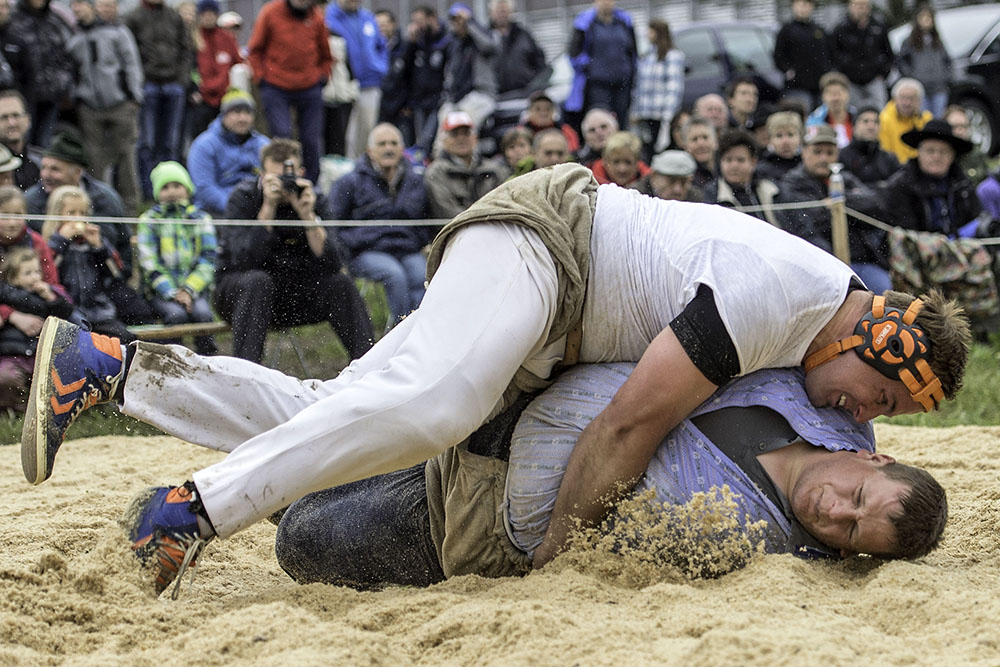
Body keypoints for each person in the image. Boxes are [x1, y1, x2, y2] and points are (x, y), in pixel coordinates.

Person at [21, 162, 970, 596]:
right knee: (435, 407)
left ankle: (105, 368)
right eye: (879, 396)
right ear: (883, 339)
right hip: (547, 249)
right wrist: (561, 563)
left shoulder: (808, 330)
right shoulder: (777, 298)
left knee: (344, 412)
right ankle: (191, 510)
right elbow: (629, 428)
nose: (862, 413)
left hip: (551, 306)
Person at [272, 363, 948, 588]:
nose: (835, 510)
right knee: (307, 452)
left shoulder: (762, 546)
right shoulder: (820, 400)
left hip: (492, 504)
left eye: (853, 535)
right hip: (518, 402)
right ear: (872, 457)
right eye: (858, 496)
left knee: (298, 535)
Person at [211, 138, 374, 363]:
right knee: (258, 282)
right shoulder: (243, 197)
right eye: (276, 178)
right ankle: (246, 374)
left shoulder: (313, 198)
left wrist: (308, 216)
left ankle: (369, 367)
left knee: (341, 284)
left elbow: (334, 263)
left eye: (289, 177)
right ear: (261, 176)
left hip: (293, 294)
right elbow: (243, 259)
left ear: (301, 173)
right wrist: (268, 207)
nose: (284, 185)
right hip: (241, 294)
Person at [25, 131, 155, 327]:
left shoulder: (106, 198)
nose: (45, 175)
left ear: (77, 172)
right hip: (57, 288)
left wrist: (100, 249)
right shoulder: (31, 202)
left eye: (55, 169)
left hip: (103, 285)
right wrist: (60, 241)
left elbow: (123, 248)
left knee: (139, 316)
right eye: (43, 168)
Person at [329, 123, 431, 327]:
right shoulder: (348, 183)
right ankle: (400, 335)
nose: (388, 148)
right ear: (370, 151)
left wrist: (424, 242)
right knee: (395, 276)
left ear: (402, 150)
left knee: (423, 277)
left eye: (393, 143)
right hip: (366, 251)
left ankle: (421, 333)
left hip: (407, 250)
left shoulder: (415, 181)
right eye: (382, 144)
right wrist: (341, 259)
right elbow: (333, 225)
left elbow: (425, 220)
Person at [777, 124, 890, 293]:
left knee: (884, 294)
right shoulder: (791, 184)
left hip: (862, 261)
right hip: (820, 265)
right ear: (804, 152)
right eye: (817, 152)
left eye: (829, 153)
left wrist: (838, 202)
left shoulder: (844, 178)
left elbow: (876, 205)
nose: (824, 158)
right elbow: (806, 226)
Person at [67, 0, 143, 216]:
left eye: (80, 4)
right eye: (73, 6)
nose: (76, 9)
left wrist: (134, 97)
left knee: (126, 159)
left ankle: (130, 213)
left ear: (92, 7)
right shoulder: (74, 37)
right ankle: (99, 211)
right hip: (90, 108)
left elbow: (131, 64)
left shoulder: (117, 32)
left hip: (120, 104)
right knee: (94, 161)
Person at [136, 162, 218, 356]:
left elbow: (208, 260)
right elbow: (149, 264)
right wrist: (172, 292)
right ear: (157, 192)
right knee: (175, 314)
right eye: (165, 187)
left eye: (177, 185)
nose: (171, 191)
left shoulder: (201, 219)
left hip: (195, 291)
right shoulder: (149, 221)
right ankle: (171, 360)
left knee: (203, 314)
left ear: (187, 189)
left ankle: (208, 361)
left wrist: (189, 289)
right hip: (161, 293)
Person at [248, 0, 332, 184]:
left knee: (311, 139)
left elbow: (326, 53)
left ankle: (311, 184)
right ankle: (281, 182)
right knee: (282, 136)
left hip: (309, 85)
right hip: (276, 85)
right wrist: (260, 78)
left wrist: (323, 76)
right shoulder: (270, 12)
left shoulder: (316, 16)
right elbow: (254, 50)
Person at [40, 186, 135, 342]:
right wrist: (61, 242)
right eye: (71, 213)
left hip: (100, 313)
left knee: (123, 340)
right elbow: (49, 274)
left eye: (83, 213)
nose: (78, 218)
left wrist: (100, 248)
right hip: (68, 314)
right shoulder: (51, 244)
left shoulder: (94, 242)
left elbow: (116, 275)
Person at [125, 0, 192, 201]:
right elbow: (130, 53)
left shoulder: (174, 16)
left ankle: (174, 190)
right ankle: (150, 192)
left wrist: (182, 80)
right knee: (147, 142)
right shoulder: (133, 17)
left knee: (171, 143)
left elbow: (186, 49)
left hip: (173, 84)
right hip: (148, 85)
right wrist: (140, 82)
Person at [0, 246, 73, 410]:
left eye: (37, 272)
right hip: (12, 354)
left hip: (39, 353)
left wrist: (50, 297)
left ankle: (45, 410)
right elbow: (19, 299)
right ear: (13, 278)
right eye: (27, 273)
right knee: (6, 378)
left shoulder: (47, 295)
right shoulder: (8, 294)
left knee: (57, 377)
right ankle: (17, 409)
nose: (35, 277)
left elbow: (67, 311)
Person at [883, 119, 980, 238]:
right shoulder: (901, 186)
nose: (936, 157)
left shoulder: (963, 184)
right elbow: (907, 234)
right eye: (930, 151)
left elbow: (975, 220)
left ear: (952, 156)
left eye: (943, 152)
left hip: (962, 250)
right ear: (919, 153)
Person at [186, 89, 270, 218]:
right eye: (236, 112)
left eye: (247, 112)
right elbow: (205, 188)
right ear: (223, 115)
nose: (243, 118)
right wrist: (236, 208)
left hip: (258, 212)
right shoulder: (203, 145)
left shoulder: (264, 145)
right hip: (217, 212)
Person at [325, 0, 388, 161]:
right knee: (343, 134)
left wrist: (380, 66)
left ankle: (366, 169)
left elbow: (381, 45)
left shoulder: (367, 17)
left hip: (369, 83)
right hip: (341, 86)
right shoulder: (328, 16)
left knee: (367, 131)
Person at [8, 0, 75, 148]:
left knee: (44, 144)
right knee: (23, 143)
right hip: (23, 96)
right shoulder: (14, 18)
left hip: (51, 94)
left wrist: (62, 82)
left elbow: (68, 53)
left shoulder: (56, 19)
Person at [565, 0, 637, 131]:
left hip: (622, 82)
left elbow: (632, 51)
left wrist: (632, 72)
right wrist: (589, 66)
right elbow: (574, 53)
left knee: (621, 121)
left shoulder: (624, 21)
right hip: (598, 84)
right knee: (601, 120)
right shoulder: (585, 22)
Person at [436, 2, 499, 143]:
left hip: (481, 95)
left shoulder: (482, 37)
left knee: (463, 125)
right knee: (444, 125)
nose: (458, 24)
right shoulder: (453, 43)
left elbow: (490, 46)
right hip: (457, 98)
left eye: (461, 19)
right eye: (455, 20)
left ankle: (469, 160)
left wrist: (470, 23)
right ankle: (442, 160)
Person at [423, 111, 504, 218]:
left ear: (475, 137)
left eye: (466, 133)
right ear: (444, 140)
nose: (461, 138)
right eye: (454, 134)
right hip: (456, 231)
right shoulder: (435, 172)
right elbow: (446, 212)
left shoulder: (494, 169)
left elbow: (504, 205)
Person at [630, 19, 684, 163]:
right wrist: (635, 112)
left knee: (662, 151)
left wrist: (668, 115)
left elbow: (674, 88)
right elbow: (639, 87)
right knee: (648, 152)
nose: (647, 34)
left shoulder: (672, 56)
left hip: (661, 115)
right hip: (646, 113)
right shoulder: (648, 56)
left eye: (650, 31)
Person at [190, 0, 243, 139]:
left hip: (224, 98)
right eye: (205, 13)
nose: (208, 17)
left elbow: (238, 63)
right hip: (201, 98)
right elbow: (189, 67)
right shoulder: (192, 39)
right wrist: (195, 89)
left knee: (228, 136)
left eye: (211, 13)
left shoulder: (226, 38)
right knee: (201, 136)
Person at [400, 6, 448, 156]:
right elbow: (405, 70)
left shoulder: (445, 40)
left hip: (438, 100)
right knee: (421, 141)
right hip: (419, 101)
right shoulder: (417, 43)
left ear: (432, 18)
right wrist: (410, 44)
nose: (416, 26)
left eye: (419, 21)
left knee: (429, 141)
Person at [703, 130, 778, 226]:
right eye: (728, 160)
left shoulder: (771, 190)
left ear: (753, 162)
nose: (734, 165)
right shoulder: (712, 195)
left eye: (740, 160)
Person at [832, 0, 893, 109]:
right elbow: (834, 55)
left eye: (864, 5)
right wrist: (843, 74)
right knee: (854, 112)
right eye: (857, 5)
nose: (861, 9)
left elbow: (888, 53)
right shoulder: (841, 29)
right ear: (850, 6)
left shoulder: (878, 27)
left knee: (880, 111)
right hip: (851, 81)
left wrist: (883, 72)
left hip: (874, 79)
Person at [773, 0, 832, 111]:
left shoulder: (819, 30)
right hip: (797, 86)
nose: (803, 8)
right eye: (800, 5)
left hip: (819, 86)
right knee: (802, 112)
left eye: (806, 5)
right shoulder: (786, 30)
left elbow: (828, 54)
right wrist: (789, 71)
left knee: (821, 115)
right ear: (794, 6)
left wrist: (827, 71)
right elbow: (778, 56)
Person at [897, 3, 950, 120]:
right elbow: (902, 62)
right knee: (922, 120)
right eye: (923, 17)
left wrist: (945, 77)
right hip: (920, 89)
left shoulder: (937, 41)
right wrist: (912, 78)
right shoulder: (909, 41)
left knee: (938, 120)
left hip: (938, 88)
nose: (926, 21)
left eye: (928, 17)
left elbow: (947, 61)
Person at [489, 0, 545, 97]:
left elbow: (539, 60)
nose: (501, 14)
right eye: (498, 11)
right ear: (491, 13)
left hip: (525, 93)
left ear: (511, 12)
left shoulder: (523, 34)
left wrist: (535, 84)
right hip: (496, 96)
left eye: (504, 11)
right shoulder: (485, 38)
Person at [838, 104, 899, 188]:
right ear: (854, 127)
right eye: (865, 121)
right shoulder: (841, 156)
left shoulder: (889, 159)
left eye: (876, 122)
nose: (871, 126)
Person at [878, 78, 931, 165]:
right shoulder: (884, 120)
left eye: (911, 98)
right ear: (895, 99)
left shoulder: (926, 120)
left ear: (919, 101)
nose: (906, 103)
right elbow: (885, 151)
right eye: (903, 98)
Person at [0, 90, 39, 190]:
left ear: (28, 119)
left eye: (16, 115)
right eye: (4, 117)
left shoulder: (41, 162)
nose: (11, 123)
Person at [806, 72, 855, 149]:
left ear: (848, 94)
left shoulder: (859, 118)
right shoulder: (813, 122)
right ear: (822, 96)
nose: (835, 98)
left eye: (839, 93)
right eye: (830, 93)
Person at [631, 149, 702, 202]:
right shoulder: (635, 196)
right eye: (671, 180)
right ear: (653, 176)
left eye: (683, 182)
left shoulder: (695, 198)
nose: (677, 189)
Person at [945, 105, 991, 187]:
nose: (960, 131)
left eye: (963, 126)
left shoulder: (976, 153)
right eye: (954, 127)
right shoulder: (938, 153)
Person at [755, 111, 802, 183]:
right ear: (770, 139)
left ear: (799, 138)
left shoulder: (808, 168)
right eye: (779, 136)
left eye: (790, 135)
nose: (785, 141)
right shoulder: (761, 171)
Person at [682, 116, 717, 191]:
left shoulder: (726, 172)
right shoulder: (684, 178)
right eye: (694, 139)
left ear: (715, 141)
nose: (701, 144)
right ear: (685, 146)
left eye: (705, 137)